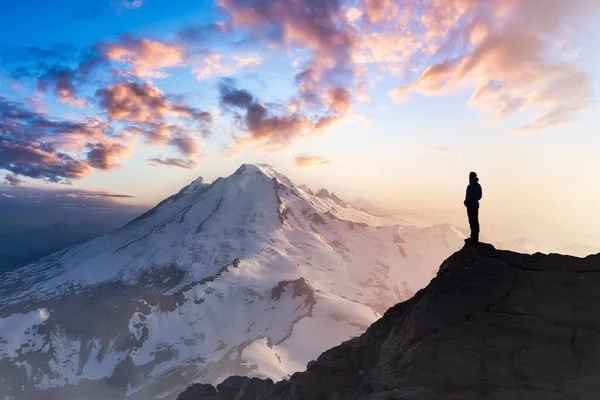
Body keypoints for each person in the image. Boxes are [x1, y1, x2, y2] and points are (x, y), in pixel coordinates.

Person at [464, 171, 482, 244]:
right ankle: (475, 236)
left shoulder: (470, 186)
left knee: (472, 220)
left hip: (471, 206)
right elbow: (479, 196)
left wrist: (467, 201)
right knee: (475, 220)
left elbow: (468, 196)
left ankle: (473, 236)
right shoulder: (478, 186)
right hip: (475, 205)